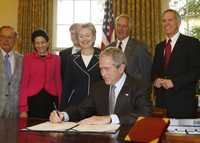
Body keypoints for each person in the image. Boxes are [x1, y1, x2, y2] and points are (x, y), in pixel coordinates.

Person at [50, 48, 152, 125]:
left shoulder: (139, 86)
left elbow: (144, 114)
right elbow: (81, 109)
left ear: (121, 68)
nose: (102, 74)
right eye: (101, 69)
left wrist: (110, 119)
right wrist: (63, 115)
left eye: (107, 69)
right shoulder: (98, 87)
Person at [151, 9, 200, 118]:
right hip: (161, 105)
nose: (166, 23)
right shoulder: (159, 47)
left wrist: (174, 82)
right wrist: (155, 80)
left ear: (178, 22)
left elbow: (196, 71)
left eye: (170, 20)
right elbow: (154, 71)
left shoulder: (192, 43)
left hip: (183, 105)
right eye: (164, 21)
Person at [19, 29, 62, 119]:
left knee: (51, 129)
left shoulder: (56, 59)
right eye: (37, 43)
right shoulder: (27, 58)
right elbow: (24, 83)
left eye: (43, 42)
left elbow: (58, 81)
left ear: (47, 43)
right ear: (33, 44)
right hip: (33, 99)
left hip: (51, 98)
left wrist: (60, 105)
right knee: (32, 129)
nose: (40, 45)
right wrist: (23, 109)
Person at [60, 23, 102, 110]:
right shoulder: (71, 59)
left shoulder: (103, 56)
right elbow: (66, 87)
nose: (84, 39)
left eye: (87, 35)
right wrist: (61, 111)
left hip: (98, 105)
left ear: (94, 37)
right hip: (76, 106)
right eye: (81, 36)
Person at [109, 14, 152, 82]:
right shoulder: (109, 48)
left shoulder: (140, 47)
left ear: (129, 28)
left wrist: (143, 92)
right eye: (119, 25)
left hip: (134, 91)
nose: (121, 29)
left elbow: (146, 75)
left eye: (124, 26)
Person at [0, 26, 23, 119]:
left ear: (15, 39)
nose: (6, 40)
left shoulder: (22, 59)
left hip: (15, 111)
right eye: (2, 37)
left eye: (9, 37)